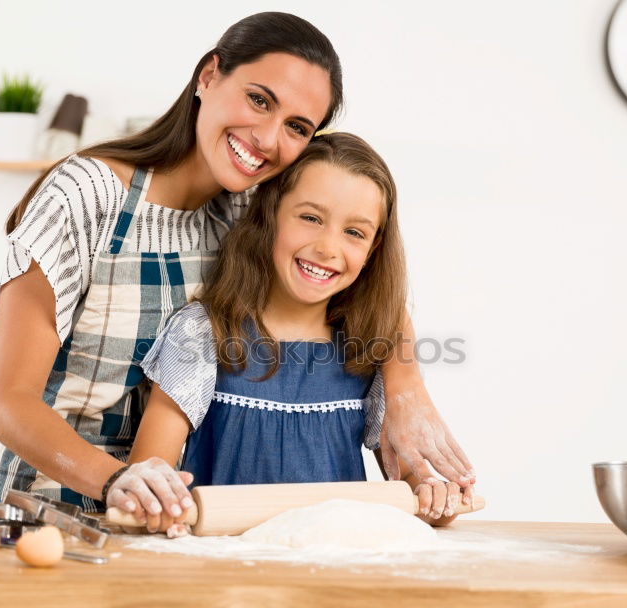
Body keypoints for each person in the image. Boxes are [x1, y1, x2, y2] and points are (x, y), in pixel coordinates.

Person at [0, 12, 473, 515]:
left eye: (296, 127)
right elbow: (7, 403)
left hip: (166, 522)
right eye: (259, 100)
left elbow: (366, 279)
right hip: (50, 514)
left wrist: (407, 386)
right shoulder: (87, 196)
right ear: (209, 76)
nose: (265, 137)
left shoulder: (252, 208)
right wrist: (119, 480)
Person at [112, 133, 476, 536]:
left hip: (333, 571)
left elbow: (411, 487)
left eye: (354, 232)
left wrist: (434, 498)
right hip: (224, 573)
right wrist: (157, 502)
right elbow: (150, 471)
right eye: (310, 218)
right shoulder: (203, 332)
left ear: (372, 250)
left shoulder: (367, 350)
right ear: (270, 214)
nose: (327, 247)